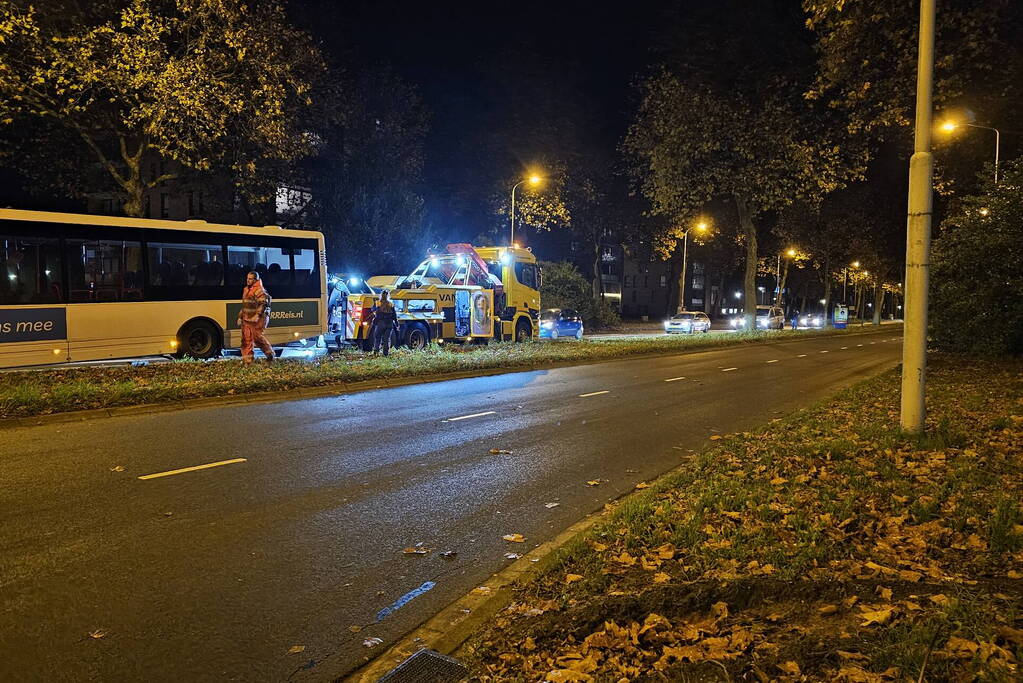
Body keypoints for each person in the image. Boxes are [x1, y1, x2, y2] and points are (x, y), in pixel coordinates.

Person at [237, 271, 275, 365]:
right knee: (246, 340)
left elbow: (263, 304)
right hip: (247, 318)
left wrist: (257, 315)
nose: (248, 280)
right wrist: (240, 316)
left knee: (257, 338)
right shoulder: (246, 289)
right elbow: (245, 305)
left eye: (250, 279)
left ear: (255, 280)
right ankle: (248, 361)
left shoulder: (259, 290)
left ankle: (270, 355)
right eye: (247, 278)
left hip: (258, 319)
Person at [370, 290, 397, 356]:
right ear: (388, 296)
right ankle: (385, 354)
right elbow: (394, 315)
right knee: (386, 339)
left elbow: (373, 310)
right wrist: (396, 323)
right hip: (389, 324)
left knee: (377, 338)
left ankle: (376, 352)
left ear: (381, 295)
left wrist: (374, 304)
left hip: (380, 323)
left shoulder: (378, 303)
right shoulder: (391, 304)